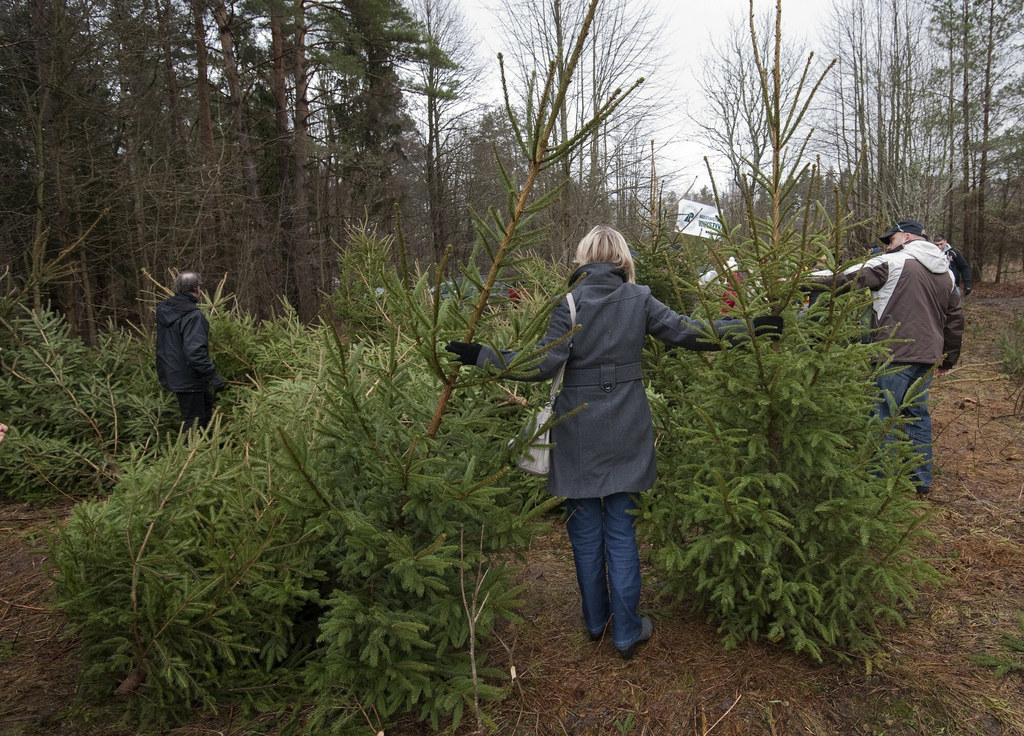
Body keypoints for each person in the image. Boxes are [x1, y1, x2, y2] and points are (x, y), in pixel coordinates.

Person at [446, 225, 782, 659]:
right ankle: (626, 633)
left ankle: (593, 622)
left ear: (584, 258)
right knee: (621, 530)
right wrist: (751, 328)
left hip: (576, 429)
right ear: (623, 258)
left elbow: (541, 366)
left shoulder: (567, 303)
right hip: (627, 426)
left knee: (585, 529)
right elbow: (689, 333)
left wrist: (481, 356)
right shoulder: (639, 298)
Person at [814, 220, 964, 495]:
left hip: (893, 353)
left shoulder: (893, 263)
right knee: (916, 415)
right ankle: (920, 482)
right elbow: (955, 319)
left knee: (881, 414)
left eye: (890, 239)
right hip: (927, 356)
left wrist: (797, 283)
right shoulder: (947, 273)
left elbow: (845, 278)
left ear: (906, 237)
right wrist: (948, 359)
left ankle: (875, 482)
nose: (887, 245)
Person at [155, 271, 226, 434]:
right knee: (193, 421)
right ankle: (187, 456)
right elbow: (195, 352)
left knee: (204, 411)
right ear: (198, 289)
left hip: (171, 372)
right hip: (189, 377)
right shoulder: (193, 316)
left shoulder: (165, 311)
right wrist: (213, 376)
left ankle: (210, 450)